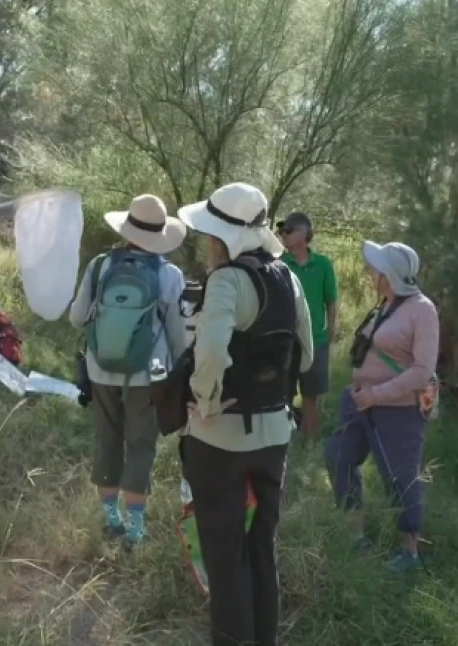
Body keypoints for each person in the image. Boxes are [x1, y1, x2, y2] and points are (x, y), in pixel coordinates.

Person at [177, 182, 313, 646]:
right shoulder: (289, 278)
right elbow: (307, 355)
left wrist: (206, 401)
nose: (207, 243)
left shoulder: (226, 281)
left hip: (220, 441)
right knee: (262, 552)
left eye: (210, 235)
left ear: (224, 238)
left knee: (224, 557)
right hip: (275, 436)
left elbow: (210, 351)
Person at [67, 194, 188, 548]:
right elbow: (179, 335)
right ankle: (136, 529)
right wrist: (178, 369)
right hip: (147, 375)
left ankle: (111, 519)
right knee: (140, 444)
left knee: (107, 439)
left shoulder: (101, 266)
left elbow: (76, 318)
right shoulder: (168, 274)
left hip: (101, 367)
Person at [324, 241, 439, 572]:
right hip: (359, 402)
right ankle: (355, 534)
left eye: (375, 268)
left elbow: (422, 370)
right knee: (338, 456)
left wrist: (378, 394)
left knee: (402, 477)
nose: (369, 271)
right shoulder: (386, 305)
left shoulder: (423, 310)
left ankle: (410, 553)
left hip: (397, 410)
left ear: (389, 275)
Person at [278, 211, 338, 439]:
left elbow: (331, 300)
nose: (283, 235)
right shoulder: (281, 264)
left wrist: (331, 331)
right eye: (282, 232)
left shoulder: (323, 264)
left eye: (288, 231)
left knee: (311, 394)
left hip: (316, 340)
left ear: (303, 233)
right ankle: (283, 440)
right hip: (286, 340)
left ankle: (309, 442)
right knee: (283, 393)